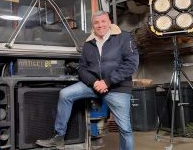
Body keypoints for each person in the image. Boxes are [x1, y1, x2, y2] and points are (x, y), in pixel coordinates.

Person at [35, 10, 139, 150]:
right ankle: (59, 137)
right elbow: (82, 69)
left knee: (125, 129)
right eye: (96, 22)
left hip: (117, 87)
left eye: (103, 21)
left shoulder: (124, 37)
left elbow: (131, 64)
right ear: (93, 25)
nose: (100, 25)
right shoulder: (89, 43)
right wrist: (94, 82)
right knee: (65, 94)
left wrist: (107, 82)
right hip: (94, 85)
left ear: (109, 22)